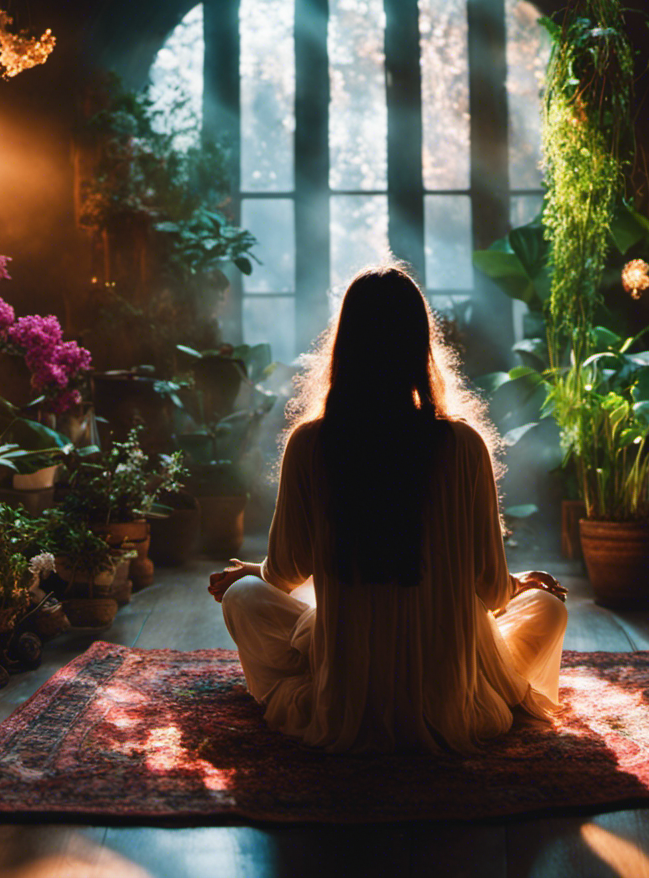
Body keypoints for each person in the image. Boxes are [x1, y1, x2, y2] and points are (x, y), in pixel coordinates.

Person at [208, 264, 567, 753]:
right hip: (453, 700)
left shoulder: (312, 443)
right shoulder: (463, 445)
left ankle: (338, 681)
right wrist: (520, 583)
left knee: (242, 597)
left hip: (346, 696)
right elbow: (489, 587)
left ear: (344, 347)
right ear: (419, 348)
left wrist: (251, 572)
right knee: (547, 607)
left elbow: (288, 570)